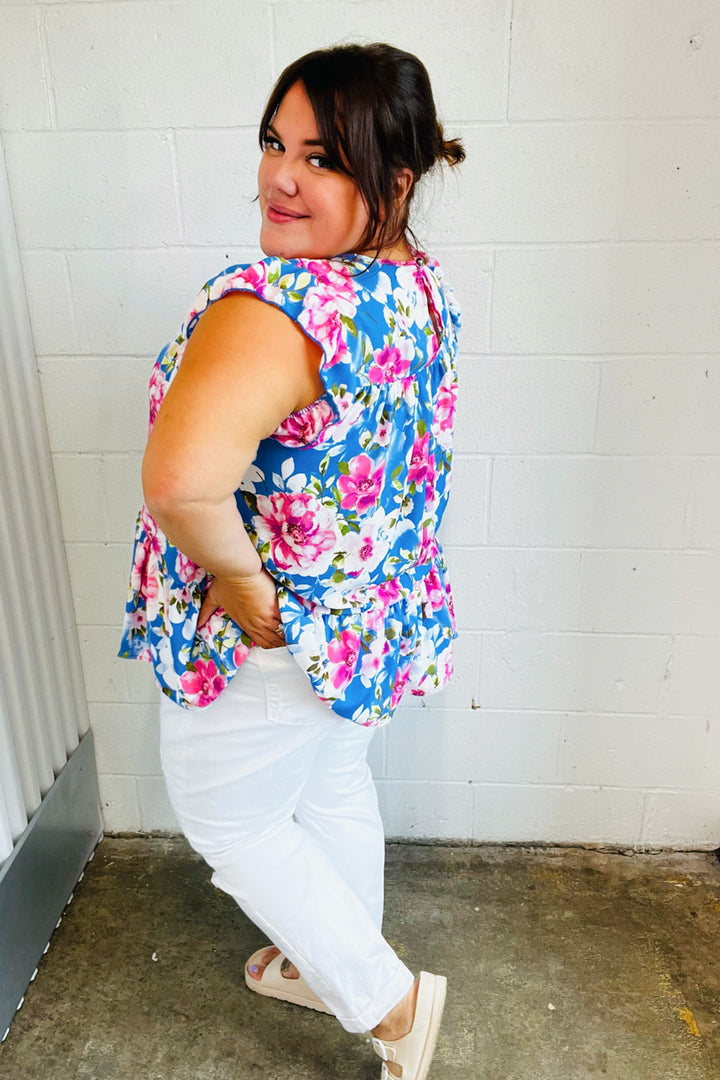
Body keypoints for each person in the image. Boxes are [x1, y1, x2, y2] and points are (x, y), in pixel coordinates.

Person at [119, 41, 464, 1080]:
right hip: (369, 621)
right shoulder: (412, 285)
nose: (279, 176)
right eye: (276, 142)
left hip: (278, 631)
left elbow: (181, 484)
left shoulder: (272, 309)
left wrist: (235, 580)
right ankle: (332, 963)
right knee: (330, 783)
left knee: (232, 818)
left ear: (394, 180)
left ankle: (390, 1005)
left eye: (322, 158)